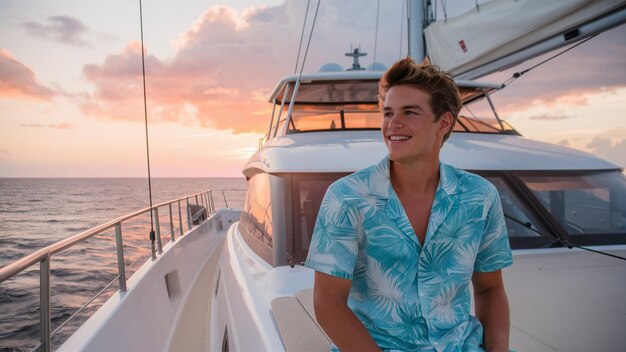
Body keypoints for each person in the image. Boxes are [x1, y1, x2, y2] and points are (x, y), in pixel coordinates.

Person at [305, 58, 513, 352]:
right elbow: (327, 303)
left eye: (409, 112)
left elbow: (490, 289)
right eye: (388, 113)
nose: (393, 124)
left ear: (443, 122)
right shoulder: (347, 197)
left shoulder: (480, 196)